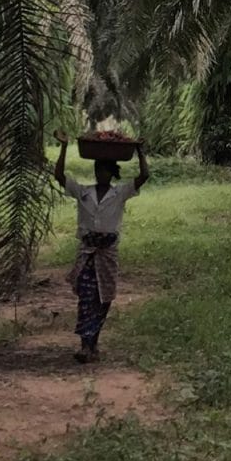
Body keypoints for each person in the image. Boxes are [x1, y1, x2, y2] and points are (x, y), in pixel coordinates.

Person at [54, 130, 149, 363]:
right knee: (86, 297)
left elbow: (144, 176)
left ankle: (93, 342)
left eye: (105, 170)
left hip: (107, 253)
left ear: (111, 173)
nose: (101, 174)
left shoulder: (120, 193)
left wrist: (140, 151)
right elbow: (59, 176)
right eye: (98, 170)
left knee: (104, 298)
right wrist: (64, 147)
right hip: (87, 251)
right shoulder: (83, 192)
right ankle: (85, 345)